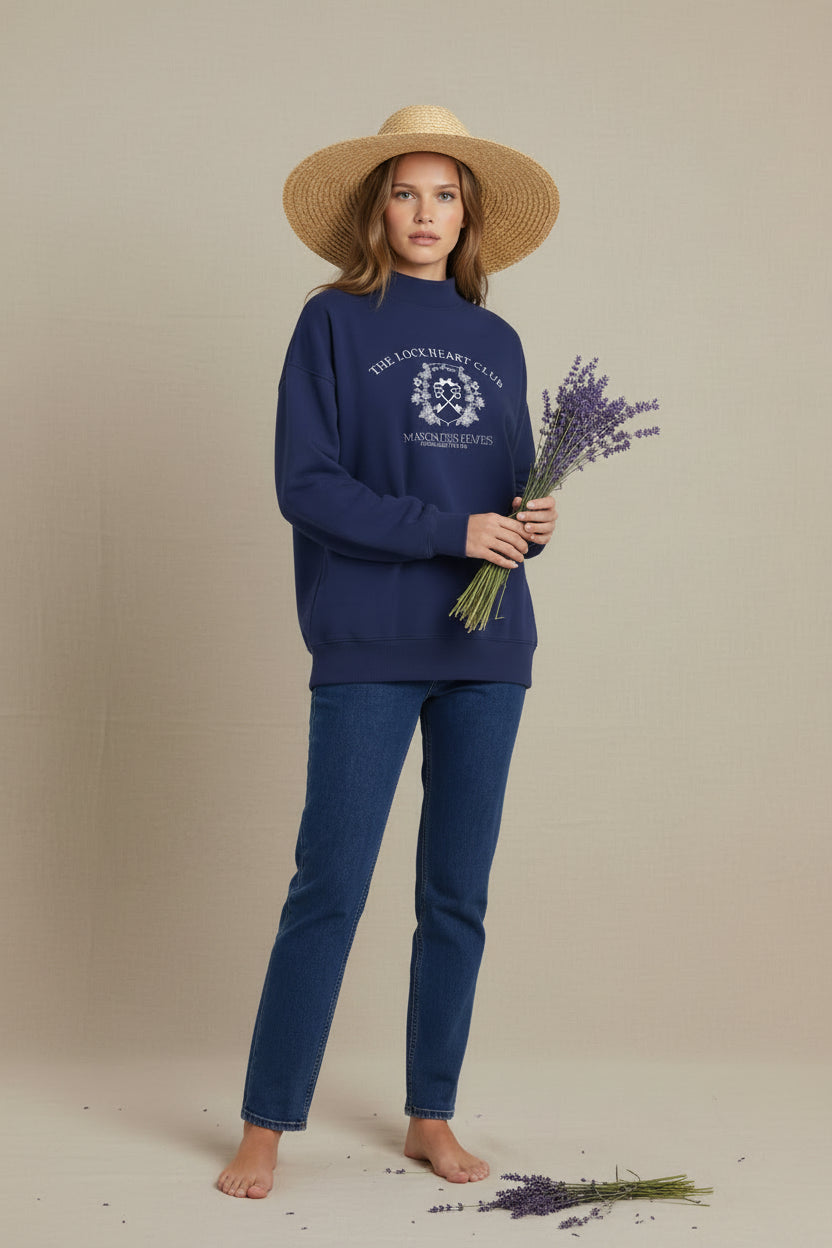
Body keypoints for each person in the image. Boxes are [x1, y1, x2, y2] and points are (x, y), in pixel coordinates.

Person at [218, 105, 559, 1199]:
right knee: (330, 886)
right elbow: (305, 488)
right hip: (369, 635)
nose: (425, 212)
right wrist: (447, 530)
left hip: (488, 641)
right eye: (405, 192)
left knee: (457, 894)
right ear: (377, 210)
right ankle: (267, 1124)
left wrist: (526, 524)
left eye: (444, 194)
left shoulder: (496, 339)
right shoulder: (330, 324)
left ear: (468, 217)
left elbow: (496, 498)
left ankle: (431, 1115)